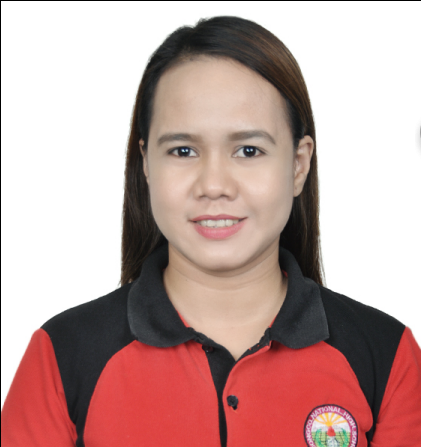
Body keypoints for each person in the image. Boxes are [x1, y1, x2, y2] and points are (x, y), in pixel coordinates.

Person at [1, 15, 420, 447]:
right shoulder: (62, 354)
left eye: (248, 150)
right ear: (146, 164)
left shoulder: (387, 356)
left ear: (298, 165)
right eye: (183, 150)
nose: (214, 185)